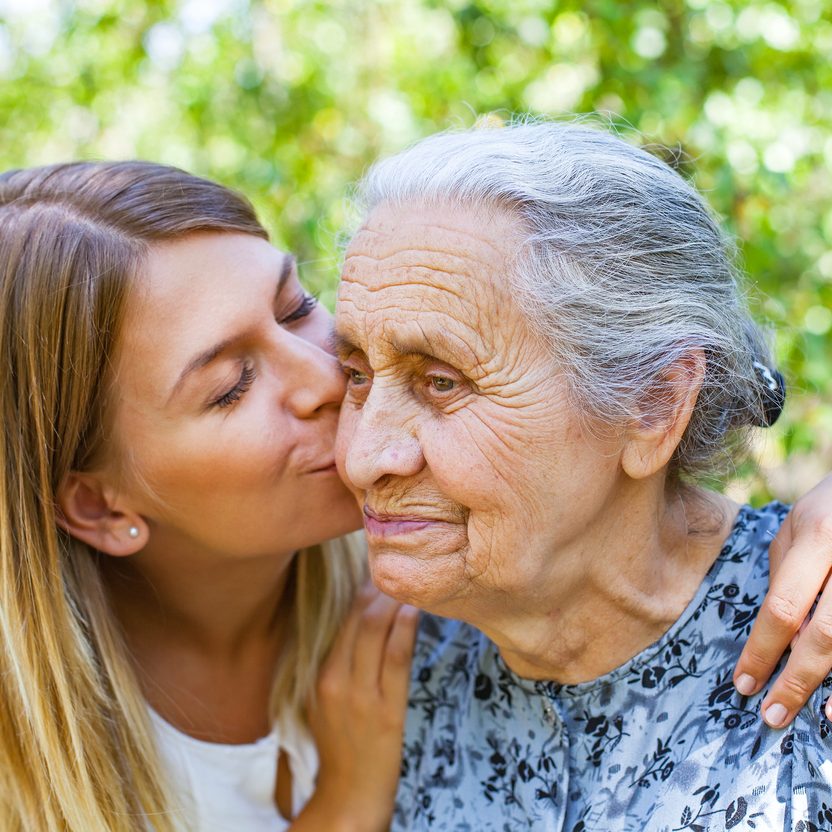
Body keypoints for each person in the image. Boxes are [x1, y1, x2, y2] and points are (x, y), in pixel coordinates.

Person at [333, 120, 832, 829]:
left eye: (441, 382)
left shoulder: (816, 642)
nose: (362, 457)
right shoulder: (378, 665)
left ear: (653, 406)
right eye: (356, 374)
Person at [0, 161, 417, 832]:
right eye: (231, 387)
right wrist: (343, 805)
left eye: (296, 308)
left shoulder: (437, 581)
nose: (327, 379)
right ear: (100, 508)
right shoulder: (26, 767)